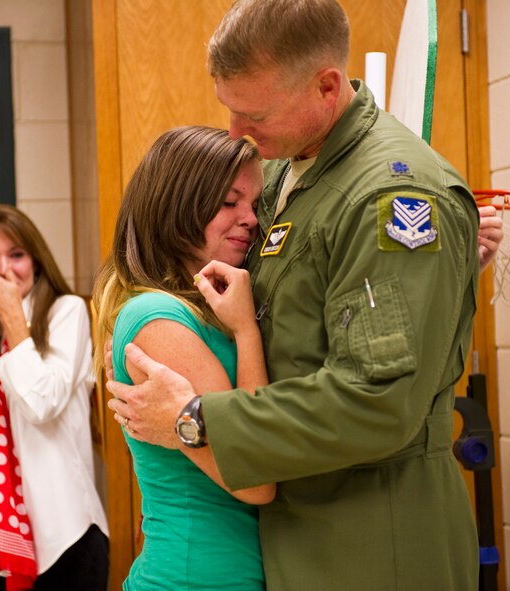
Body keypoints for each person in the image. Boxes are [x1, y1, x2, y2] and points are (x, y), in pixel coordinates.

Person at [104, 1, 506, 590]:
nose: (237, 133)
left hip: (370, 534)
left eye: (254, 113)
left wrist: (196, 420)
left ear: (325, 87)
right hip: (294, 531)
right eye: (230, 111)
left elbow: (377, 401)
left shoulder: (387, 194)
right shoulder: (283, 173)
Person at [92, 125, 275, 591]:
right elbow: (253, 474)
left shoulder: (204, 304)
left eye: (255, 204)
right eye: (229, 202)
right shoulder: (156, 315)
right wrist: (246, 331)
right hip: (193, 578)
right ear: (176, 206)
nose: (250, 218)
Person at [0, 204, 109, 591]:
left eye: (16, 255)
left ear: (35, 258)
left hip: (67, 535)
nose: (4, 269)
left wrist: (13, 319)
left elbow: (41, 403)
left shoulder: (67, 314)